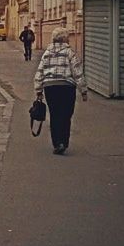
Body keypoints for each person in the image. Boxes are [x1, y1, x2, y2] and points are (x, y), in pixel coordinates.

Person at [33, 27, 88, 155]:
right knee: (66, 115)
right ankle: (64, 141)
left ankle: (57, 143)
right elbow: (77, 72)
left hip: (50, 88)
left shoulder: (47, 53)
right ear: (65, 38)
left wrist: (38, 90)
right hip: (66, 88)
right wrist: (83, 90)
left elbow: (40, 72)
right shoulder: (69, 52)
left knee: (54, 115)